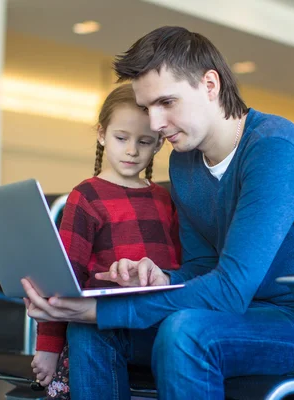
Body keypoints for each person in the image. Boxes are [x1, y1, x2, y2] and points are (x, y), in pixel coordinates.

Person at [22, 26, 294, 399]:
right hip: (232, 316)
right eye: (148, 108)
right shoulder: (185, 164)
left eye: (167, 103)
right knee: (93, 329)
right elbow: (201, 267)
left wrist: (102, 310)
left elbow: (229, 290)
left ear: (210, 85)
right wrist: (160, 277)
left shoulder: (274, 150)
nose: (155, 124)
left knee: (184, 332)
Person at [29, 84, 181, 399]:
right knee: (87, 330)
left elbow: (180, 269)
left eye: (144, 141)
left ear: (159, 144)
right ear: (102, 134)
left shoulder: (166, 200)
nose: (132, 150)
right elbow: (64, 278)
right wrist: (48, 346)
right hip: (101, 323)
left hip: (156, 323)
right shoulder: (86, 196)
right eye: (121, 138)